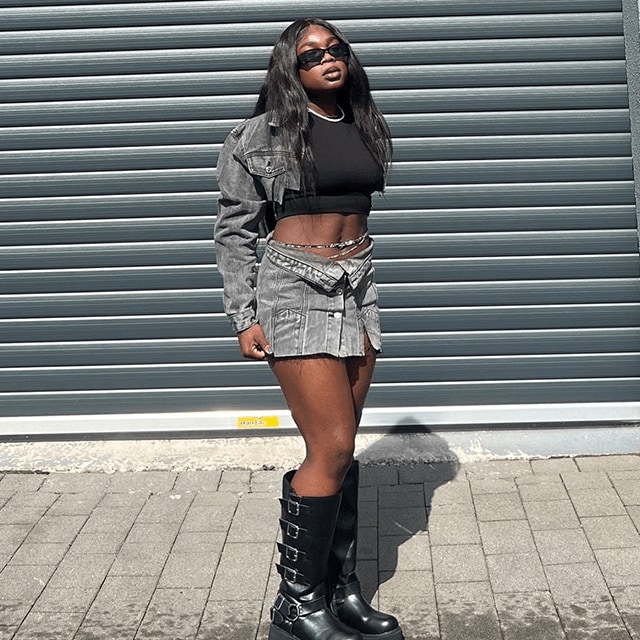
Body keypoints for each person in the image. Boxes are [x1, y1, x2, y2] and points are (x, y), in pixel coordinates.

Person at [215, 17, 403, 640]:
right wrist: (245, 315)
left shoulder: (362, 121)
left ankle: (338, 590)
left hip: (359, 283)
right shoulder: (257, 134)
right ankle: (296, 603)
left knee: (344, 446)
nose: (327, 59)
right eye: (310, 55)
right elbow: (236, 229)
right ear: (288, 71)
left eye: (335, 49)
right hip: (295, 288)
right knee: (330, 448)